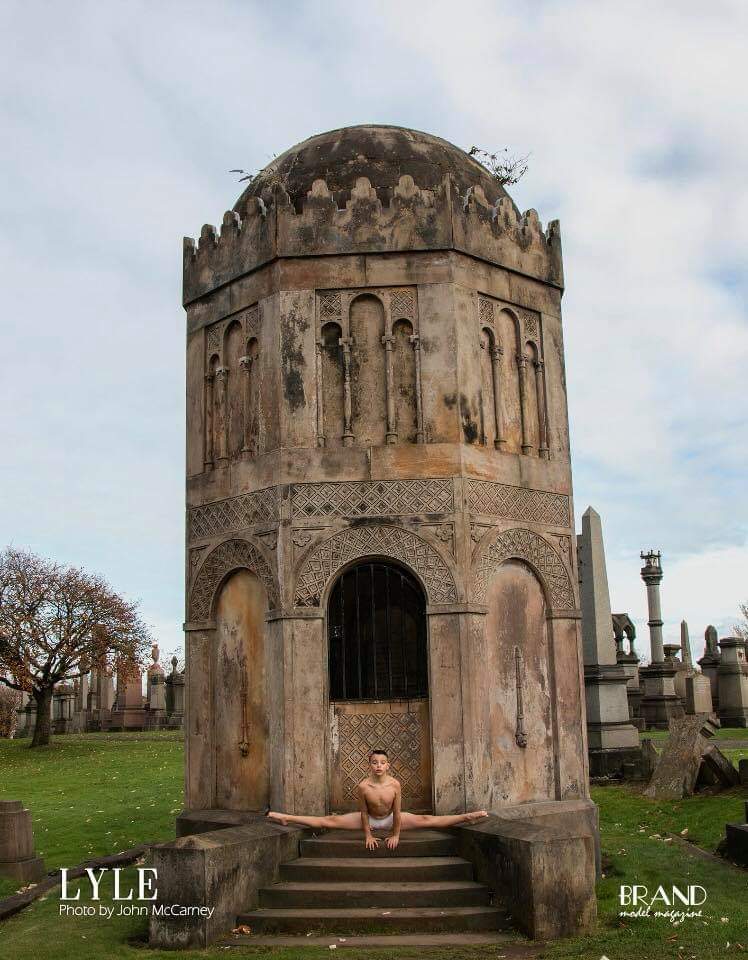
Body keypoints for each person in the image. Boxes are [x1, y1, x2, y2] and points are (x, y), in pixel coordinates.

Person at [267, 748, 488, 850]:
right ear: (369, 765)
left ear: (388, 765)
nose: (379, 766)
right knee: (329, 821)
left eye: (382, 762)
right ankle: (287, 818)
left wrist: (395, 835)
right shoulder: (364, 786)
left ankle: (467, 817)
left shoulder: (395, 784)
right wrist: (368, 836)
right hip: (370, 820)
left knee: (427, 820)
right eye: (374, 762)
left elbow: (398, 811)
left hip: (392, 818)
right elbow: (363, 813)